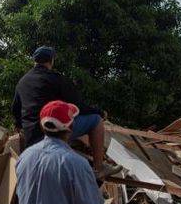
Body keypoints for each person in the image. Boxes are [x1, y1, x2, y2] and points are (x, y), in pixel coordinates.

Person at [11, 45, 119, 176]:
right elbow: (78, 106)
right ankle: (99, 168)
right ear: (51, 61)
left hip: (31, 136)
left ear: (35, 61)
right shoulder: (55, 79)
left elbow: (16, 112)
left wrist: (22, 126)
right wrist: (100, 113)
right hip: (52, 133)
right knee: (95, 121)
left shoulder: (22, 82)